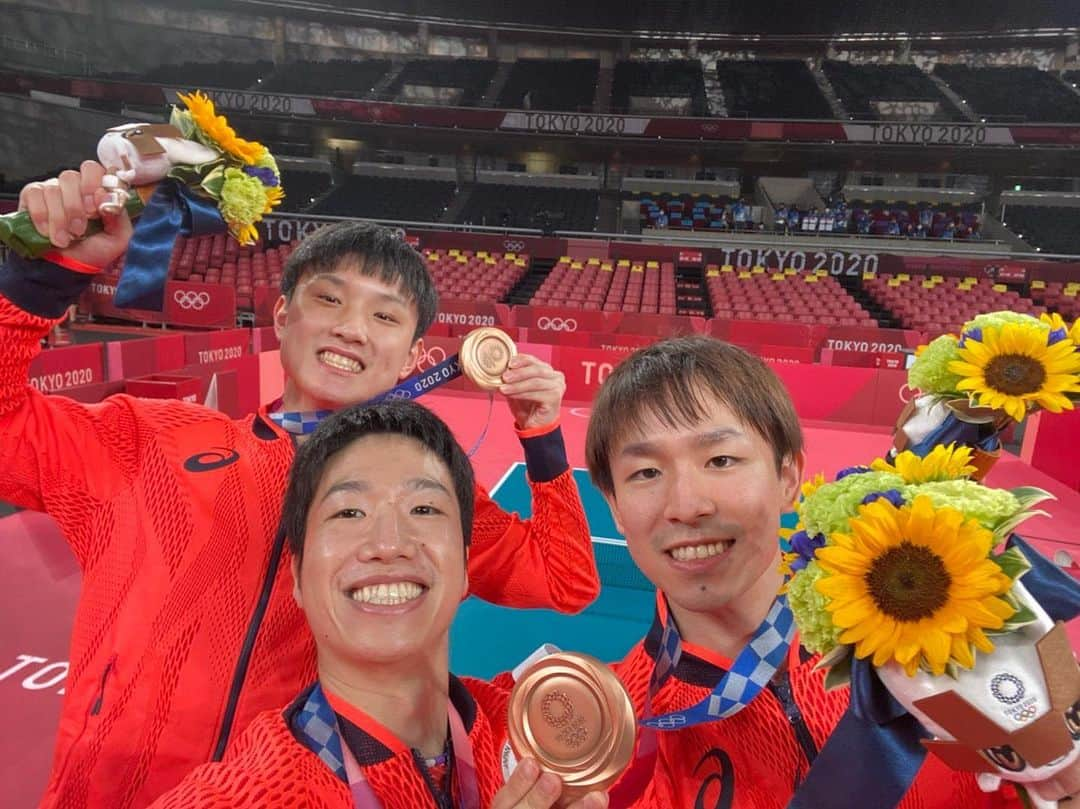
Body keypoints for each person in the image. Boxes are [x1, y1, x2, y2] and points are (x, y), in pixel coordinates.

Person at [1, 162, 599, 808]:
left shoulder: (418, 503)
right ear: (284, 316)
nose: (352, 327)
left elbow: (565, 577)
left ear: (411, 354)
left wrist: (541, 436)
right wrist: (41, 279)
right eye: (330, 299)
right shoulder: (150, 439)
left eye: (385, 316)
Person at [584, 336, 1037, 808]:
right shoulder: (619, 738)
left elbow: (1029, 780)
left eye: (721, 460)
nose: (686, 506)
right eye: (646, 473)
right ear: (614, 507)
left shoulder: (937, 622)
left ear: (788, 478)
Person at [150, 400, 607, 809]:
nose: (389, 544)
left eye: (424, 509)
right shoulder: (245, 794)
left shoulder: (536, 734)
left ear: (467, 567)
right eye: (348, 512)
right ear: (298, 578)